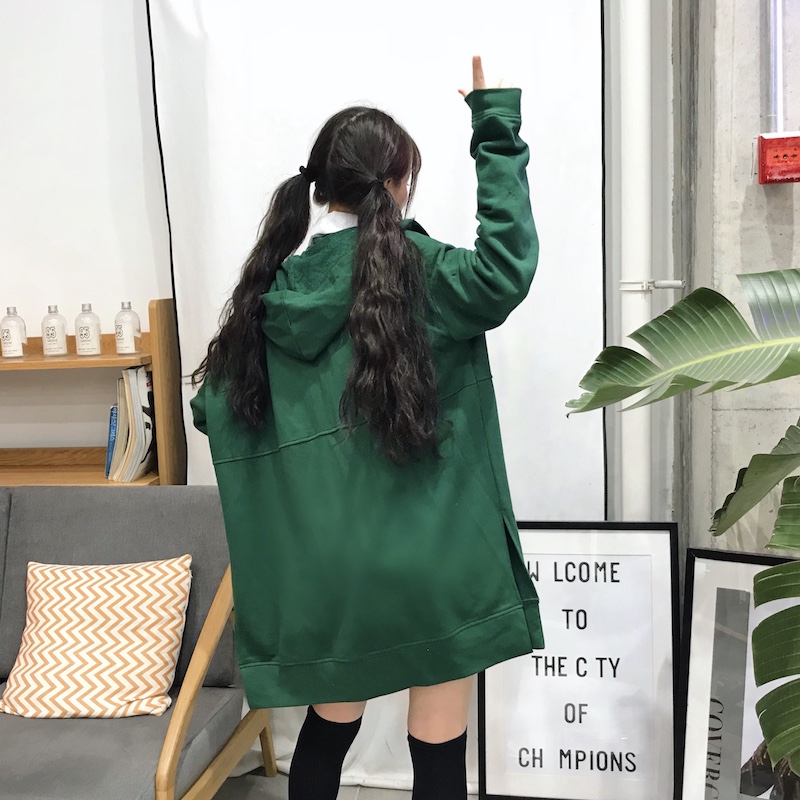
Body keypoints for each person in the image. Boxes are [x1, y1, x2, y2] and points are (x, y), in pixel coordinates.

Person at [190, 56, 544, 800]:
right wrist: (494, 125)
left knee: (328, 732)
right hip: (433, 561)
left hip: (329, 579)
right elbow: (506, 270)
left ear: (320, 190)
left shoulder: (273, 293)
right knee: (439, 742)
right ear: (397, 183)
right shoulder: (423, 270)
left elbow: (210, 408)